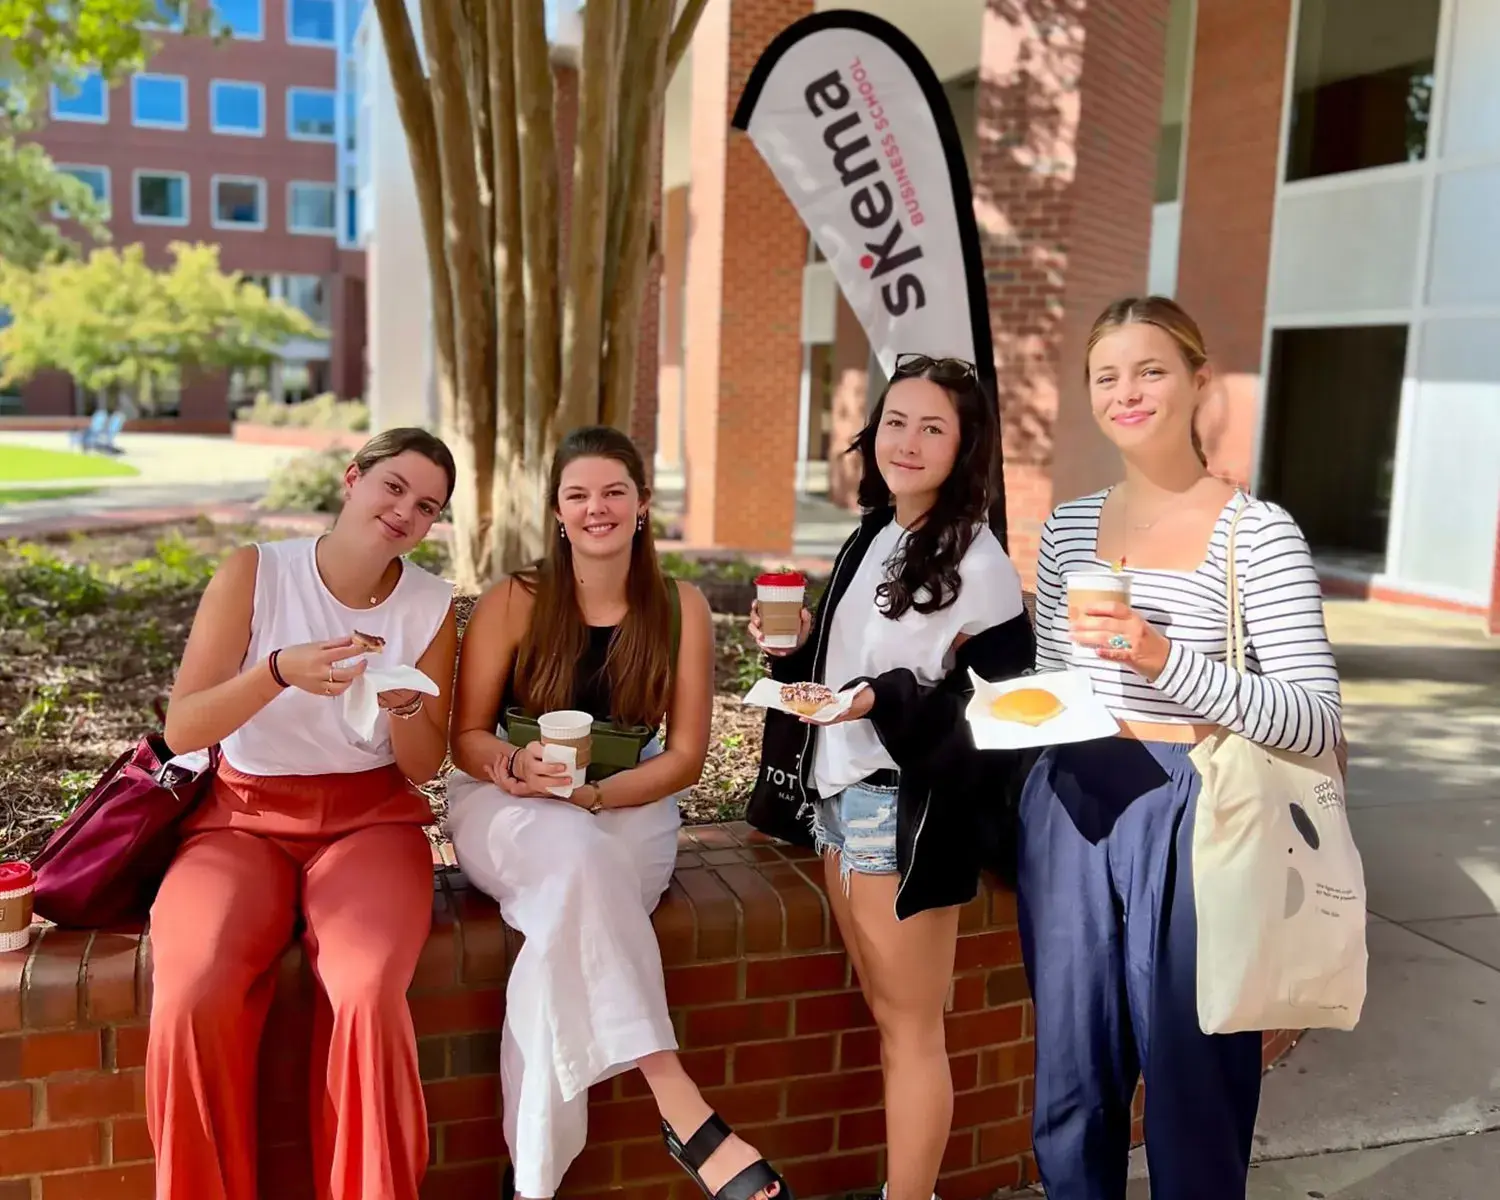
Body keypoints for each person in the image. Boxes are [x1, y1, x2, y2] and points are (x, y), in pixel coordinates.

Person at [1019, 296, 1344, 1200]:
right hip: (1074, 797)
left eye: (1150, 370)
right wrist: (1017, 715)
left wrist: (1162, 657)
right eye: (1106, 376)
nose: (1126, 392)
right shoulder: (1069, 527)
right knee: (1071, 1083)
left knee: (1195, 1083)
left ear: (1200, 381)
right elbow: (1053, 676)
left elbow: (1314, 718)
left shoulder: (1257, 533)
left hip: (1202, 804)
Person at [446, 425, 793, 1200]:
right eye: (578, 495)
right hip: (507, 800)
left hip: (631, 800)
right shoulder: (516, 599)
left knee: (561, 930)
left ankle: (530, 1184)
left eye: (613, 492)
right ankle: (681, 1105)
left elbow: (686, 758)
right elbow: (465, 739)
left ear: (641, 505)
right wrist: (515, 767)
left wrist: (597, 796)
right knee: (575, 859)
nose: (595, 508)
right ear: (557, 511)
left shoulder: (680, 607)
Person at [747, 354, 1035, 1200]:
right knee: (887, 1018)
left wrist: (886, 698)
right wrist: (801, 645)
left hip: (901, 812)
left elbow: (1001, 712)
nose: (907, 441)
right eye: (896, 422)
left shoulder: (977, 558)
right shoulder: (878, 531)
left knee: (911, 1030)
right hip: (840, 796)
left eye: (932, 428)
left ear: (964, 446)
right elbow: (853, 672)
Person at [149, 428, 460, 1200]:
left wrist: (405, 708)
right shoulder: (257, 572)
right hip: (241, 819)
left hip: (369, 821)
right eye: (394, 487)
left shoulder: (431, 605)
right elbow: (183, 729)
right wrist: (279, 671)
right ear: (353, 479)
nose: (405, 512)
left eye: (427, 506)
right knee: (191, 992)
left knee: (367, 993)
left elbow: (424, 766)